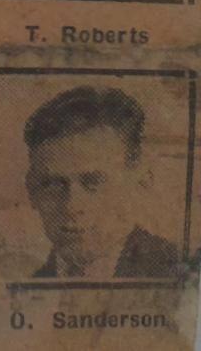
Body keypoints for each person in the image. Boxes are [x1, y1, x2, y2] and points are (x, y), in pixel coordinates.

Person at [24, 86, 179, 279]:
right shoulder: (19, 290)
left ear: (140, 182)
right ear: (32, 190)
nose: (72, 206)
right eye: (53, 185)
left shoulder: (182, 274)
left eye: (93, 183)